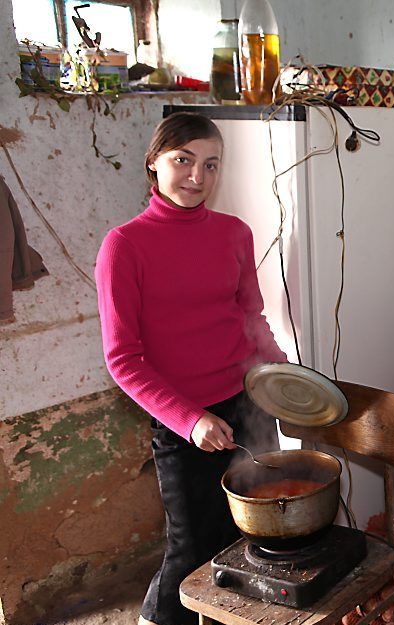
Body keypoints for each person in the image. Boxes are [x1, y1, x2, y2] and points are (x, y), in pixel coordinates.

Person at [95, 112, 286, 625]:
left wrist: (284, 377)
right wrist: (190, 419)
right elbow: (123, 359)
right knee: (192, 546)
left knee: (251, 532)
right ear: (153, 164)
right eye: (183, 160)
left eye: (211, 164)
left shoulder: (234, 233)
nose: (197, 177)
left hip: (249, 404)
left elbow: (250, 317)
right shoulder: (124, 246)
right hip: (184, 421)